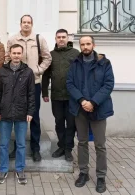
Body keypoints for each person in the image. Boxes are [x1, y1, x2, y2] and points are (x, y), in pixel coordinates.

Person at [66, 35, 114, 193]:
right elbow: (70, 83)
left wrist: (93, 102)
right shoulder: (75, 63)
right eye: (82, 44)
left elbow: (108, 85)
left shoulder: (104, 63)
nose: (85, 47)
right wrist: (82, 101)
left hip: (98, 108)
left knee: (100, 145)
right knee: (82, 142)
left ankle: (101, 176)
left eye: (88, 44)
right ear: (79, 46)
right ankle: (84, 173)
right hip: (80, 109)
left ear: (93, 44)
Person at [6, 14, 52, 161]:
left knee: (34, 116)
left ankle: (35, 148)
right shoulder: (13, 39)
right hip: (16, 83)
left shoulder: (39, 39)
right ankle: (16, 147)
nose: (26, 24)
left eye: (29, 22)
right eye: (24, 22)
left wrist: (38, 70)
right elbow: (7, 58)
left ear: (32, 24)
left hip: (34, 83)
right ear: (20, 24)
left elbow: (47, 57)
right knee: (17, 116)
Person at [0, 44, 35, 184]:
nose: (16, 55)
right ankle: (3, 169)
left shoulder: (28, 72)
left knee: (21, 144)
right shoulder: (2, 71)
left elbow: (31, 94)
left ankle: (20, 169)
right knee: (3, 144)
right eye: (14, 53)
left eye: (19, 53)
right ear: (9, 54)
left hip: (22, 113)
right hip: (4, 113)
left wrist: (30, 111)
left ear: (22, 55)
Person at [42, 29, 79, 162]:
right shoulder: (51, 55)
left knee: (70, 123)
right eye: (59, 37)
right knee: (59, 123)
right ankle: (61, 146)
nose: (61, 39)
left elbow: (80, 74)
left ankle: (68, 149)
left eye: (63, 37)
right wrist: (45, 92)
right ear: (55, 39)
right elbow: (46, 75)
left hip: (72, 97)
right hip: (56, 96)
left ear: (68, 38)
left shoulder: (75, 53)